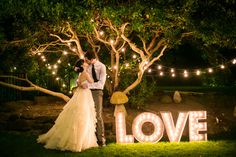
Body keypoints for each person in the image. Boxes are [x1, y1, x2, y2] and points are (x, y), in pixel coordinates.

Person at [37, 59, 98, 152]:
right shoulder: (85, 74)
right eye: (85, 62)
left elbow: (80, 83)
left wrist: (82, 84)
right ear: (82, 65)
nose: (86, 63)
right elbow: (92, 81)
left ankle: (78, 140)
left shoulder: (80, 74)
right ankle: (79, 141)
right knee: (83, 116)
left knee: (78, 115)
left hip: (80, 95)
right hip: (84, 96)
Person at [84, 51, 106, 147]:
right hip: (87, 93)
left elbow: (101, 84)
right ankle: (90, 139)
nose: (85, 61)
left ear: (91, 58)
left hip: (97, 92)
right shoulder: (87, 67)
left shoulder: (102, 66)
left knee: (98, 115)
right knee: (87, 115)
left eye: (86, 59)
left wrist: (88, 85)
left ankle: (101, 139)